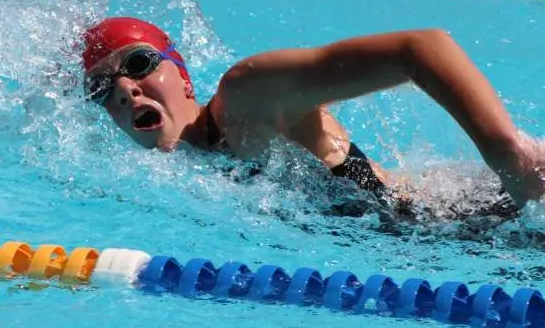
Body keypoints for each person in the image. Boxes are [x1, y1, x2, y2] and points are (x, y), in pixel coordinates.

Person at [81, 16, 545, 218]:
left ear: (183, 78)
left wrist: (511, 153)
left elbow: (420, 48)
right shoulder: (182, 174)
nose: (124, 89)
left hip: (490, 210)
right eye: (102, 88)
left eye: (139, 64)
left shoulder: (245, 98)